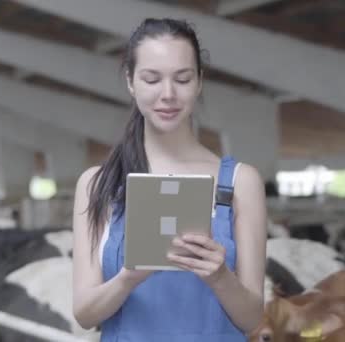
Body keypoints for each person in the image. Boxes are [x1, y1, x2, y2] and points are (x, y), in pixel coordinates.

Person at [72, 18, 267, 341]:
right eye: (151, 79)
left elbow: (251, 318)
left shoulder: (240, 181)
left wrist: (220, 276)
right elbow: (84, 314)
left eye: (183, 78)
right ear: (131, 82)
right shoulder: (98, 184)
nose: (168, 94)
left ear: (199, 82)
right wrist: (127, 278)